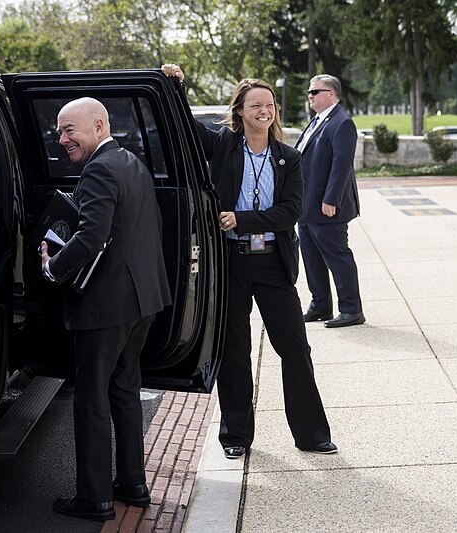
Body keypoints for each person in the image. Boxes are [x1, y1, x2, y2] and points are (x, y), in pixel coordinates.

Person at [162, 64, 336, 459]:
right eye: (255, 105)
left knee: (295, 348)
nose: (264, 111)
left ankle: (311, 434)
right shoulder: (223, 145)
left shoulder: (288, 158)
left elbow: (289, 212)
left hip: (273, 263)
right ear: (239, 110)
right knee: (234, 351)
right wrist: (175, 87)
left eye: (269, 105)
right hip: (231, 264)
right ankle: (236, 436)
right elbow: (183, 126)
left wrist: (241, 219)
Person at [40, 98, 172, 522]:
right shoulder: (130, 161)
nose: (61, 140)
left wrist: (51, 270)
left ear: (98, 125)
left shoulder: (98, 168)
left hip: (106, 304)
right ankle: (132, 484)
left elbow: (90, 237)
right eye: (59, 132)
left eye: (69, 131)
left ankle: (95, 497)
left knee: (92, 397)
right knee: (123, 389)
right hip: (142, 300)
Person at [296, 74, 365, 328]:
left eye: (315, 92)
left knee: (338, 257)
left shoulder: (342, 123)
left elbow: (341, 164)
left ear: (331, 95)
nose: (310, 96)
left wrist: (331, 199)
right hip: (305, 206)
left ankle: (351, 310)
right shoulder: (316, 122)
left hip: (327, 207)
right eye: (309, 92)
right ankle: (320, 305)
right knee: (311, 258)